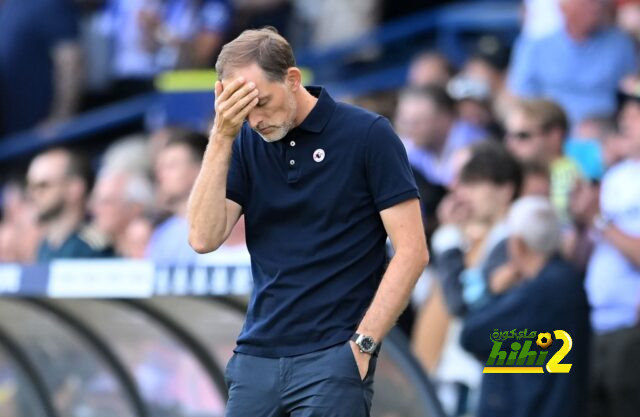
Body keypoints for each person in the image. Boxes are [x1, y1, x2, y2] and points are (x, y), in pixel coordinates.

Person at [187, 27, 428, 416]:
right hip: (256, 356)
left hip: (333, 359)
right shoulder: (243, 141)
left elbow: (412, 251)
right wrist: (220, 136)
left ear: (292, 79)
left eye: (261, 102)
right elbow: (202, 237)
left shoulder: (367, 134)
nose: (255, 119)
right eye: (241, 108)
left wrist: (362, 346)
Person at [461, 196, 590, 417]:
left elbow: (474, 334)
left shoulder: (546, 289)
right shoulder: (565, 280)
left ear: (518, 244)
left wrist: (496, 293)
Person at [584, 88, 640, 417]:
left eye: (635, 115)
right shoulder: (616, 175)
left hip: (629, 325)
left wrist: (601, 221)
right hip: (594, 320)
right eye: (625, 113)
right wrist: (582, 223)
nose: (625, 120)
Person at [508, 0, 638, 125]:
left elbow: (633, 87)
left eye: (598, 2)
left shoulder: (620, 44)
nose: (595, 8)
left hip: (606, 127)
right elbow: (521, 94)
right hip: (549, 126)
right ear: (564, 8)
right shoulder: (535, 45)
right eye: (586, 3)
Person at [0, 0, 83, 135]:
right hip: (14, 138)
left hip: (42, 137)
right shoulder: (8, 9)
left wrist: (60, 119)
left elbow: (71, 63)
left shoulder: (50, 4)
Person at [504, 98, 582, 224]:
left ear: (555, 135)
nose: (511, 144)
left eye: (522, 136)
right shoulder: (517, 173)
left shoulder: (568, 177)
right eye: (508, 135)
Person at [26, 148, 113, 261]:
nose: (31, 194)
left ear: (74, 188)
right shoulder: (44, 247)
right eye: (30, 186)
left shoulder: (94, 249)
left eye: (43, 185)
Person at [394, 86, 487, 187]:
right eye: (405, 122)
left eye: (417, 122)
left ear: (444, 118)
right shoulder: (411, 145)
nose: (409, 130)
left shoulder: (475, 145)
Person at [146, 128, 207, 264]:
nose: (160, 175)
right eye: (160, 168)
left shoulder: (227, 225)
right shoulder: (162, 234)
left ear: (202, 168)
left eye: (171, 166)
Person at [90, 169, 154, 256]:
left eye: (107, 202)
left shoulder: (152, 250)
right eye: (97, 202)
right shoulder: (97, 251)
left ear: (135, 208)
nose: (96, 210)